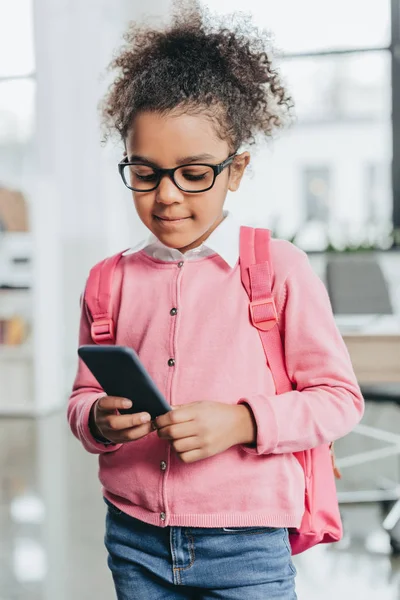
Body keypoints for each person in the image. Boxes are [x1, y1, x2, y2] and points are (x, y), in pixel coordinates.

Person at [67, 3, 364, 598]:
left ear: (237, 170)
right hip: (134, 537)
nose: (168, 196)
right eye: (145, 172)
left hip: (248, 542)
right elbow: (82, 397)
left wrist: (244, 421)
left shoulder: (278, 269)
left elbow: (338, 400)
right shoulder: (108, 280)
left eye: (194, 173)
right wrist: (98, 420)